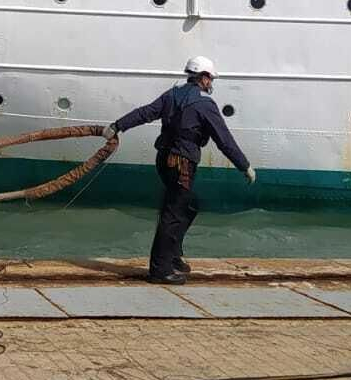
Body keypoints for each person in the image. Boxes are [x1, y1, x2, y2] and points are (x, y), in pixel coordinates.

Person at [105, 56, 254, 284]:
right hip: (181, 163)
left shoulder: (172, 94)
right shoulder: (205, 104)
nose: (211, 83)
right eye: (211, 79)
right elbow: (224, 140)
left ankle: (173, 256)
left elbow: (145, 112)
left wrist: (118, 125)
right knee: (173, 214)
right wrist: (244, 166)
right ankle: (160, 270)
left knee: (189, 205)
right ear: (204, 78)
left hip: (164, 159)